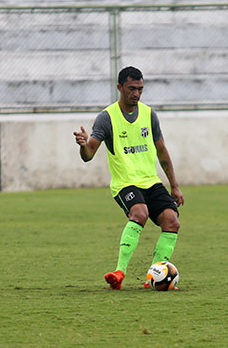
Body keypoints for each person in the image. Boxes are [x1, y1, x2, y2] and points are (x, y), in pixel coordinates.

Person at [74, 66, 185, 290]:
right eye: (132, 89)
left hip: (151, 181)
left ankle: (154, 276)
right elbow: (88, 156)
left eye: (140, 89)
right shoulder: (107, 118)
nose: (136, 94)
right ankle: (119, 272)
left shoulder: (149, 114)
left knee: (172, 221)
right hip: (125, 183)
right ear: (120, 87)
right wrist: (84, 145)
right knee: (140, 213)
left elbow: (162, 151)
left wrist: (174, 185)